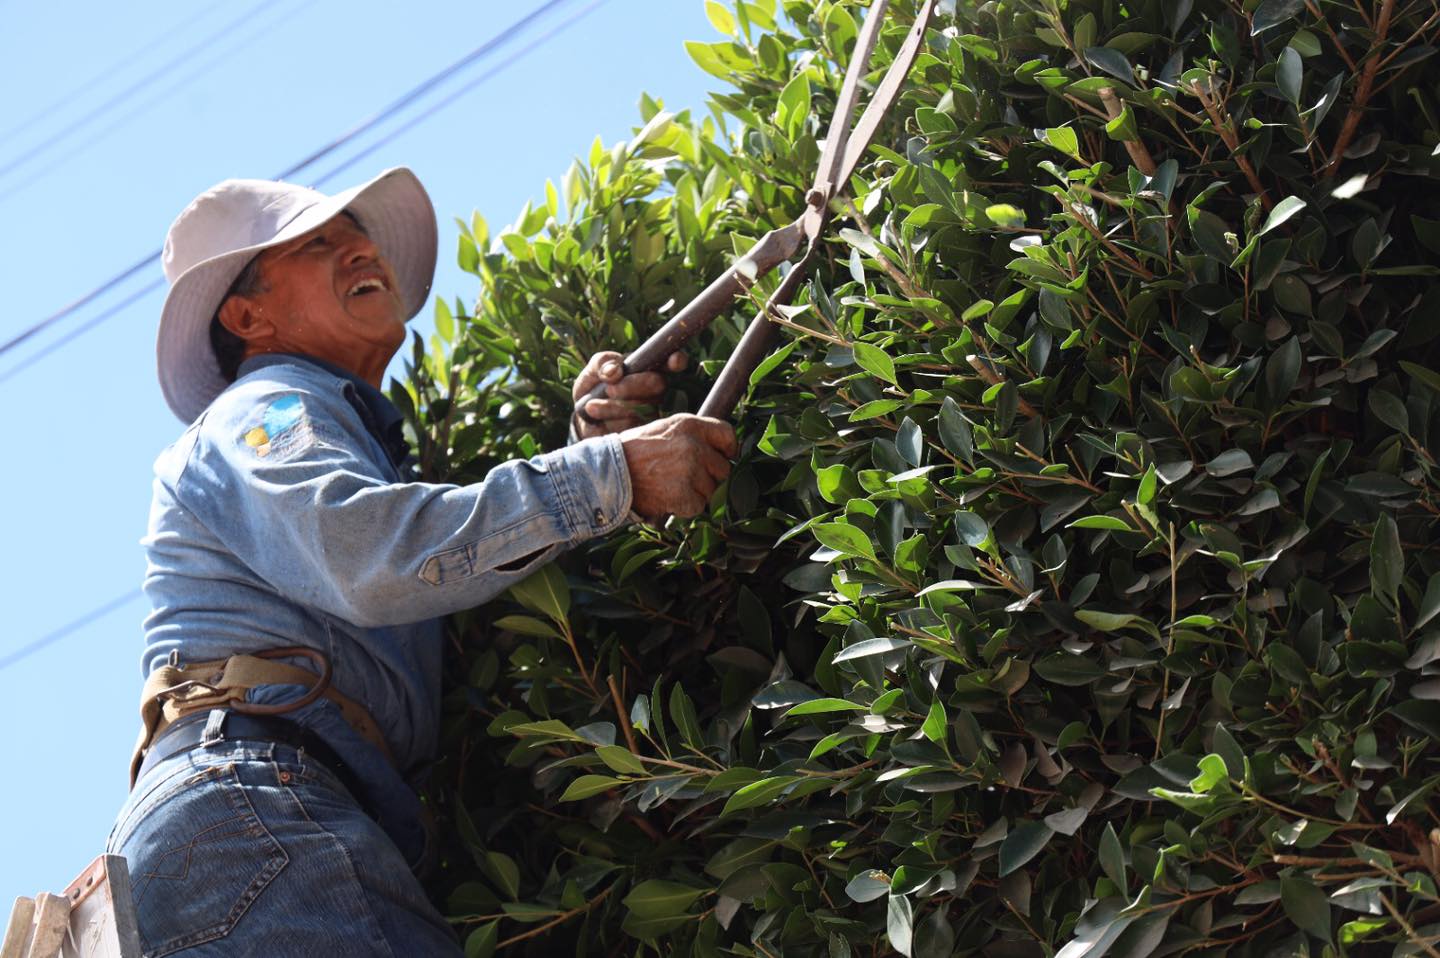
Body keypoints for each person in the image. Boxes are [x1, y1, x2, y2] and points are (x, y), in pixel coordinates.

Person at [107, 167, 738, 956]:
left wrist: (585, 450)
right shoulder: (264, 407)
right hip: (246, 805)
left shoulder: (338, 436)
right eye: (317, 245)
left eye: (356, 234)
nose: (358, 250)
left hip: (229, 831)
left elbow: (434, 568)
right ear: (248, 315)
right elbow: (372, 552)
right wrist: (609, 475)